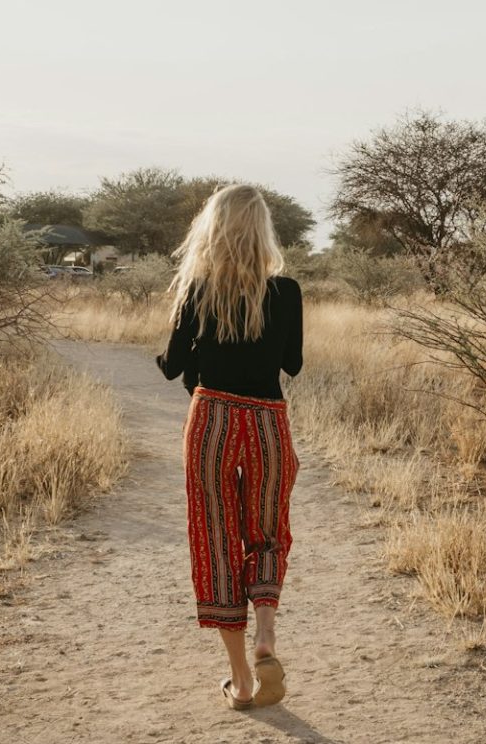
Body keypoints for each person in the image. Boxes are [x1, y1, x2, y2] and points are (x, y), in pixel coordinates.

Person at [155, 184, 304, 711]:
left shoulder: (196, 288)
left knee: (214, 539)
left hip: (212, 420)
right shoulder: (286, 291)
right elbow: (293, 364)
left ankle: (241, 681)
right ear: (263, 229)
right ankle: (266, 630)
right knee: (266, 532)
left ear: (210, 227)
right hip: (267, 422)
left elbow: (173, 366)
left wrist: (192, 357)